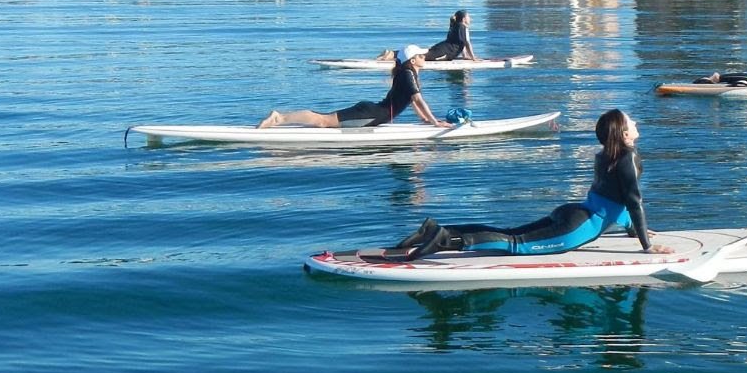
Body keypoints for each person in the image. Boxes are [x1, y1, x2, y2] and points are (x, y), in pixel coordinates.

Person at [392, 109, 673, 260]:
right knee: (516, 244)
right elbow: (632, 201)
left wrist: (632, 229)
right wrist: (646, 246)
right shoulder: (629, 157)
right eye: (630, 121)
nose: (636, 122)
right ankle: (445, 240)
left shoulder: (606, 156)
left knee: (510, 232)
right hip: (578, 227)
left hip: (574, 212)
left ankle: (435, 229)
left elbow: (614, 199)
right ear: (625, 134)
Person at [258, 45, 452, 129]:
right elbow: (418, 100)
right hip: (371, 114)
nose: (423, 57)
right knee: (323, 121)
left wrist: (426, 120)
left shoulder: (409, 73)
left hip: (374, 112)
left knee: (323, 120)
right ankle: (280, 117)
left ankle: (281, 118)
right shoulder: (408, 74)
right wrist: (435, 122)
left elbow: (413, 102)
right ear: (411, 59)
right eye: (420, 55)